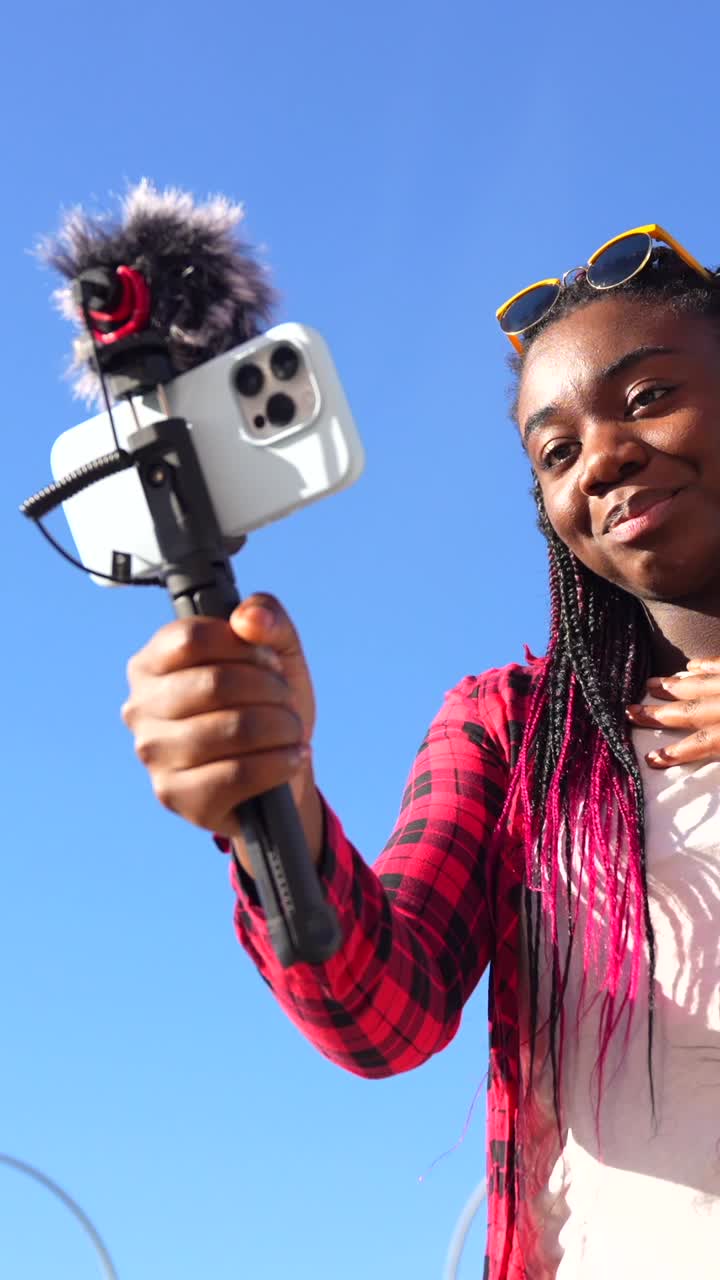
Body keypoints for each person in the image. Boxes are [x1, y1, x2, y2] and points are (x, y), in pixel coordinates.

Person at [121, 226, 720, 1279]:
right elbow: (378, 1014)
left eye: (646, 397)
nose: (603, 458)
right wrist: (274, 808)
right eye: (556, 452)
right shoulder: (511, 730)